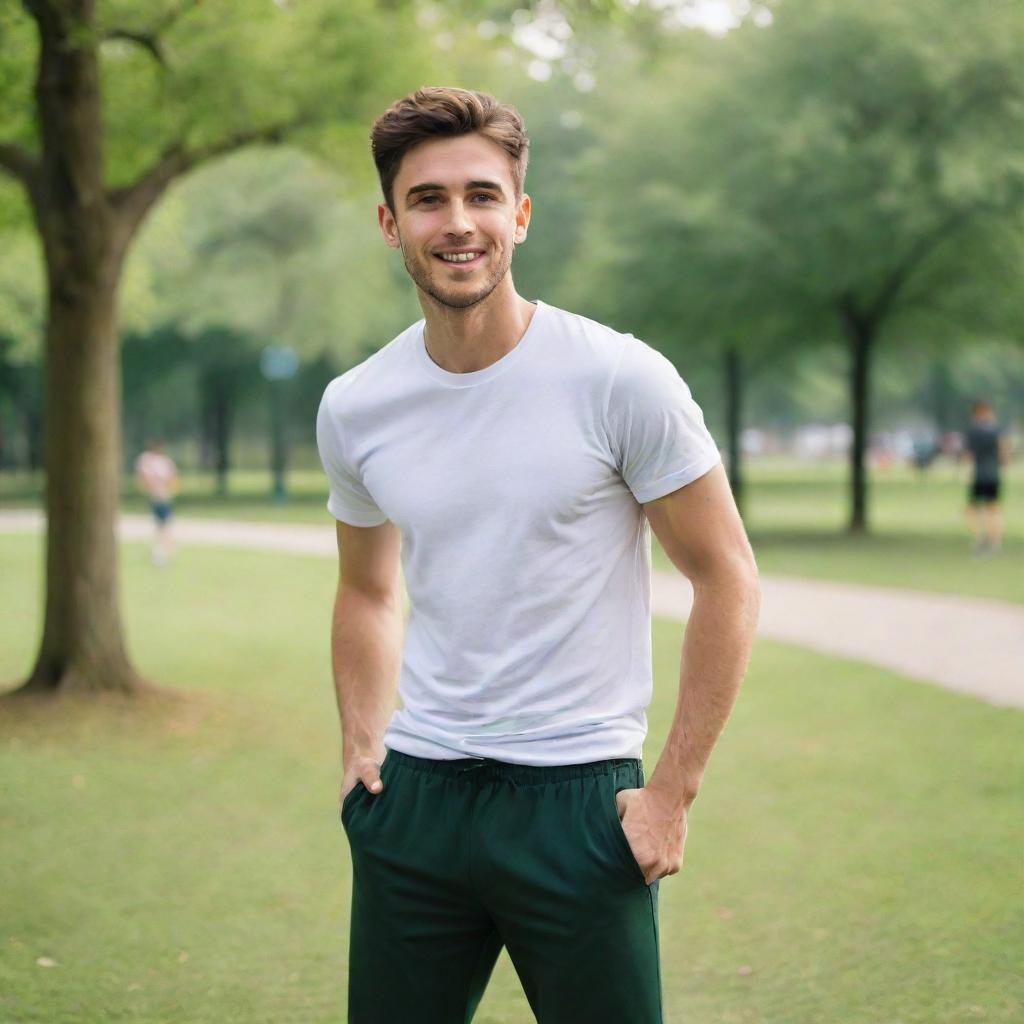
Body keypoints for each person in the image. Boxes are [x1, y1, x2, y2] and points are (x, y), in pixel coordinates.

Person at [315, 87, 761, 1024]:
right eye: (428, 200)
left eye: (482, 195)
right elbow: (365, 588)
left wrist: (672, 791)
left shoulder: (618, 379)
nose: (458, 221)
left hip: (578, 804)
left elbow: (726, 577)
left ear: (519, 212)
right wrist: (363, 740)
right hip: (417, 800)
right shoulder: (357, 405)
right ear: (390, 223)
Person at [964, 400, 1009, 553]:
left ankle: (981, 537)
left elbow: (969, 455)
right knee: (993, 508)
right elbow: (1003, 452)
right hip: (993, 473)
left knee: (972, 509)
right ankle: (995, 540)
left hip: (979, 474)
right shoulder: (996, 430)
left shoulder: (974, 431)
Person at [133, 439, 179, 566]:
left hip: (160, 496)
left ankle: (159, 552)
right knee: (165, 526)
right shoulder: (151, 460)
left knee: (161, 526)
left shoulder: (149, 460)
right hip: (160, 496)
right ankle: (160, 553)